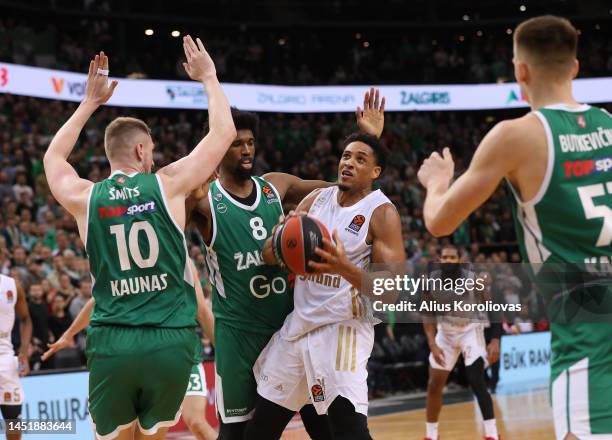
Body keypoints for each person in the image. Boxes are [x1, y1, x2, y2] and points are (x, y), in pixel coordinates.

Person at [417, 15, 612, 440]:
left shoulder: (517, 137)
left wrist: (437, 182)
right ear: (575, 68)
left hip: (587, 338)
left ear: (519, 71)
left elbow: (439, 221)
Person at [42, 36, 235, 440]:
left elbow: (53, 159)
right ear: (143, 149)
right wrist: (209, 77)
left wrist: (89, 103)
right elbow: (223, 132)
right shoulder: (167, 185)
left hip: (113, 340)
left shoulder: (85, 197)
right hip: (170, 340)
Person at [189, 88, 386, 440]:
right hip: (239, 335)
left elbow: (342, 191)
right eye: (236, 143)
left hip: (290, 327)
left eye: (250, 142)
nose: (247, 149)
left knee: (324, 427)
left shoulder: (275, 187)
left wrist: (368, 142)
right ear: (219, 147)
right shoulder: (204, 200)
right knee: (237, 434)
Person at [246, 130, 406, 440]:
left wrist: (344, 268)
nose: (349, 163)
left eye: (361, 159)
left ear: (376, 172)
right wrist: (281, 238)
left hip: (342, 330)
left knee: (349, 432)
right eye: (346, 156)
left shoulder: (381, 213)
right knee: (260, 430)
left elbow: (392, 290)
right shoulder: (316, 199)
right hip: (299, 329)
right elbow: (267, 255)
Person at [42, 262, 217, 440]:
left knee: (197, 423)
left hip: (179, 352)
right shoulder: (124, 262)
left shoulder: (179, 260)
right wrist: (69, 334)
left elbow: (202, 310)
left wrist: (226, 358)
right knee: (127, 430)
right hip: (131, 349)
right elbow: (99, 300)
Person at [421, 246, 500, 440]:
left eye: (452, 257)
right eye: (445, 257)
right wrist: (432, 343)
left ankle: (491, 434)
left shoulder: (474, 280)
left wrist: (496, 339)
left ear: (459, 259)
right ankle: (431, 435)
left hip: (470, 330)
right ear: (439, 259)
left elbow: (494, 308)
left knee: (476, 379)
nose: (448, 260)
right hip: (445, 333)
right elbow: (428, 315)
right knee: (434, 384)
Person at [0, 274, 32, 440]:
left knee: (13, 422)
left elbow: (26, 319)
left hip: (5, 356)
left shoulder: (13, 285)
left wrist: (23, 353)